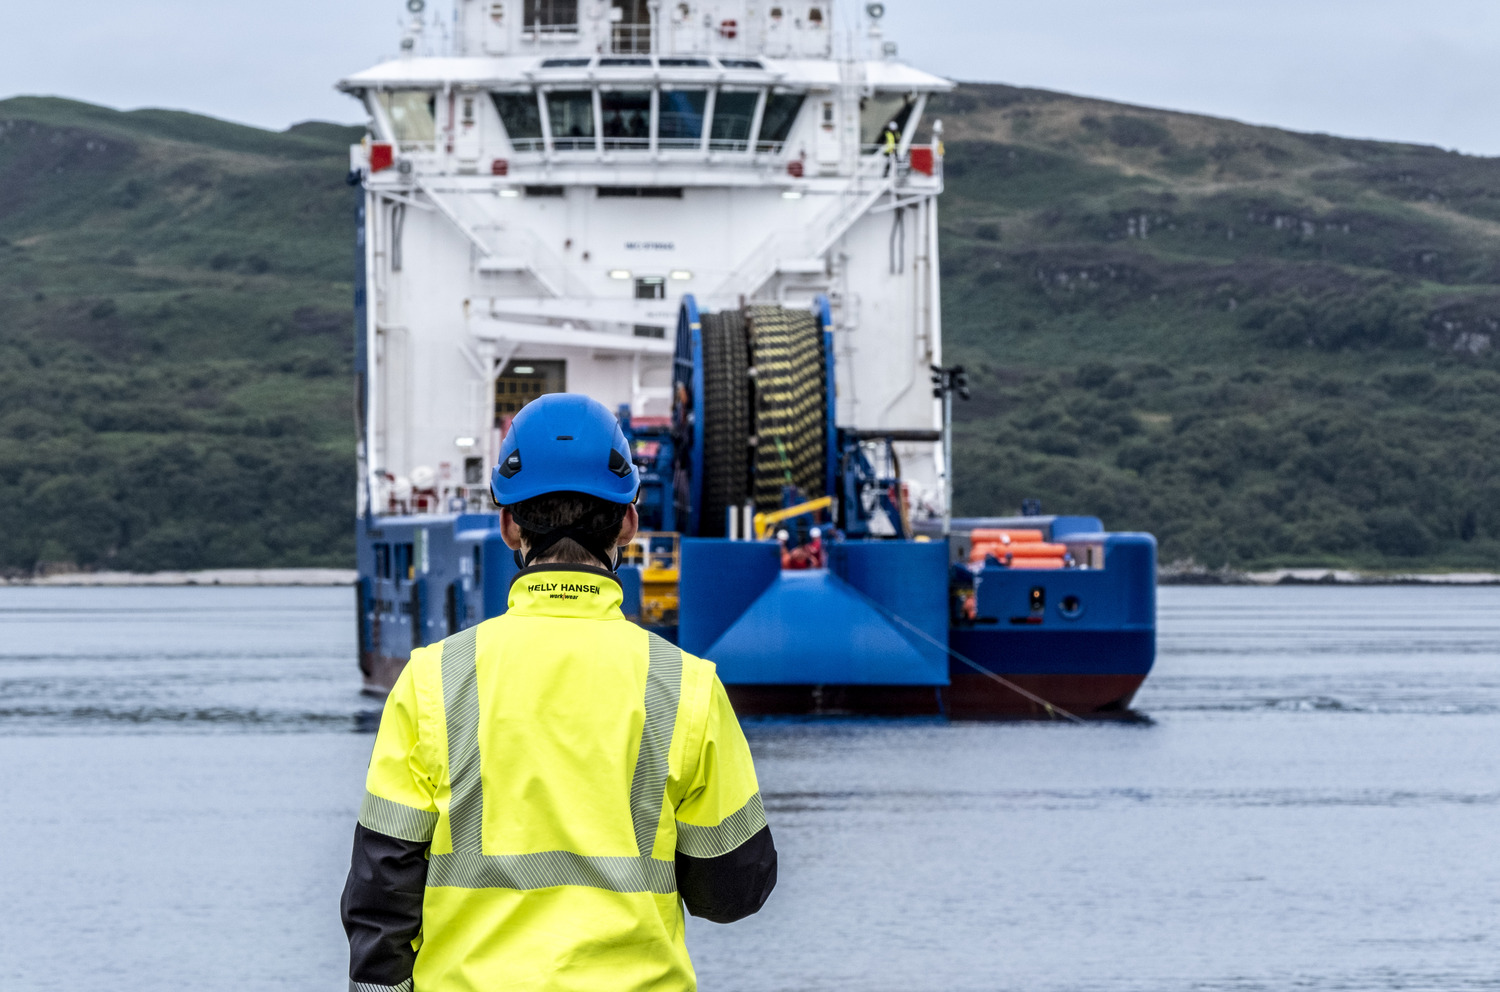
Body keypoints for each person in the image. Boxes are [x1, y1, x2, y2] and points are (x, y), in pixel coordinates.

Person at [341, 393, 777, 992]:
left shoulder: (432, 679)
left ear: (507, 524)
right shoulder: (687, 686)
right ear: (628, 521)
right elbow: (734, 892)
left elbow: (381, 894)